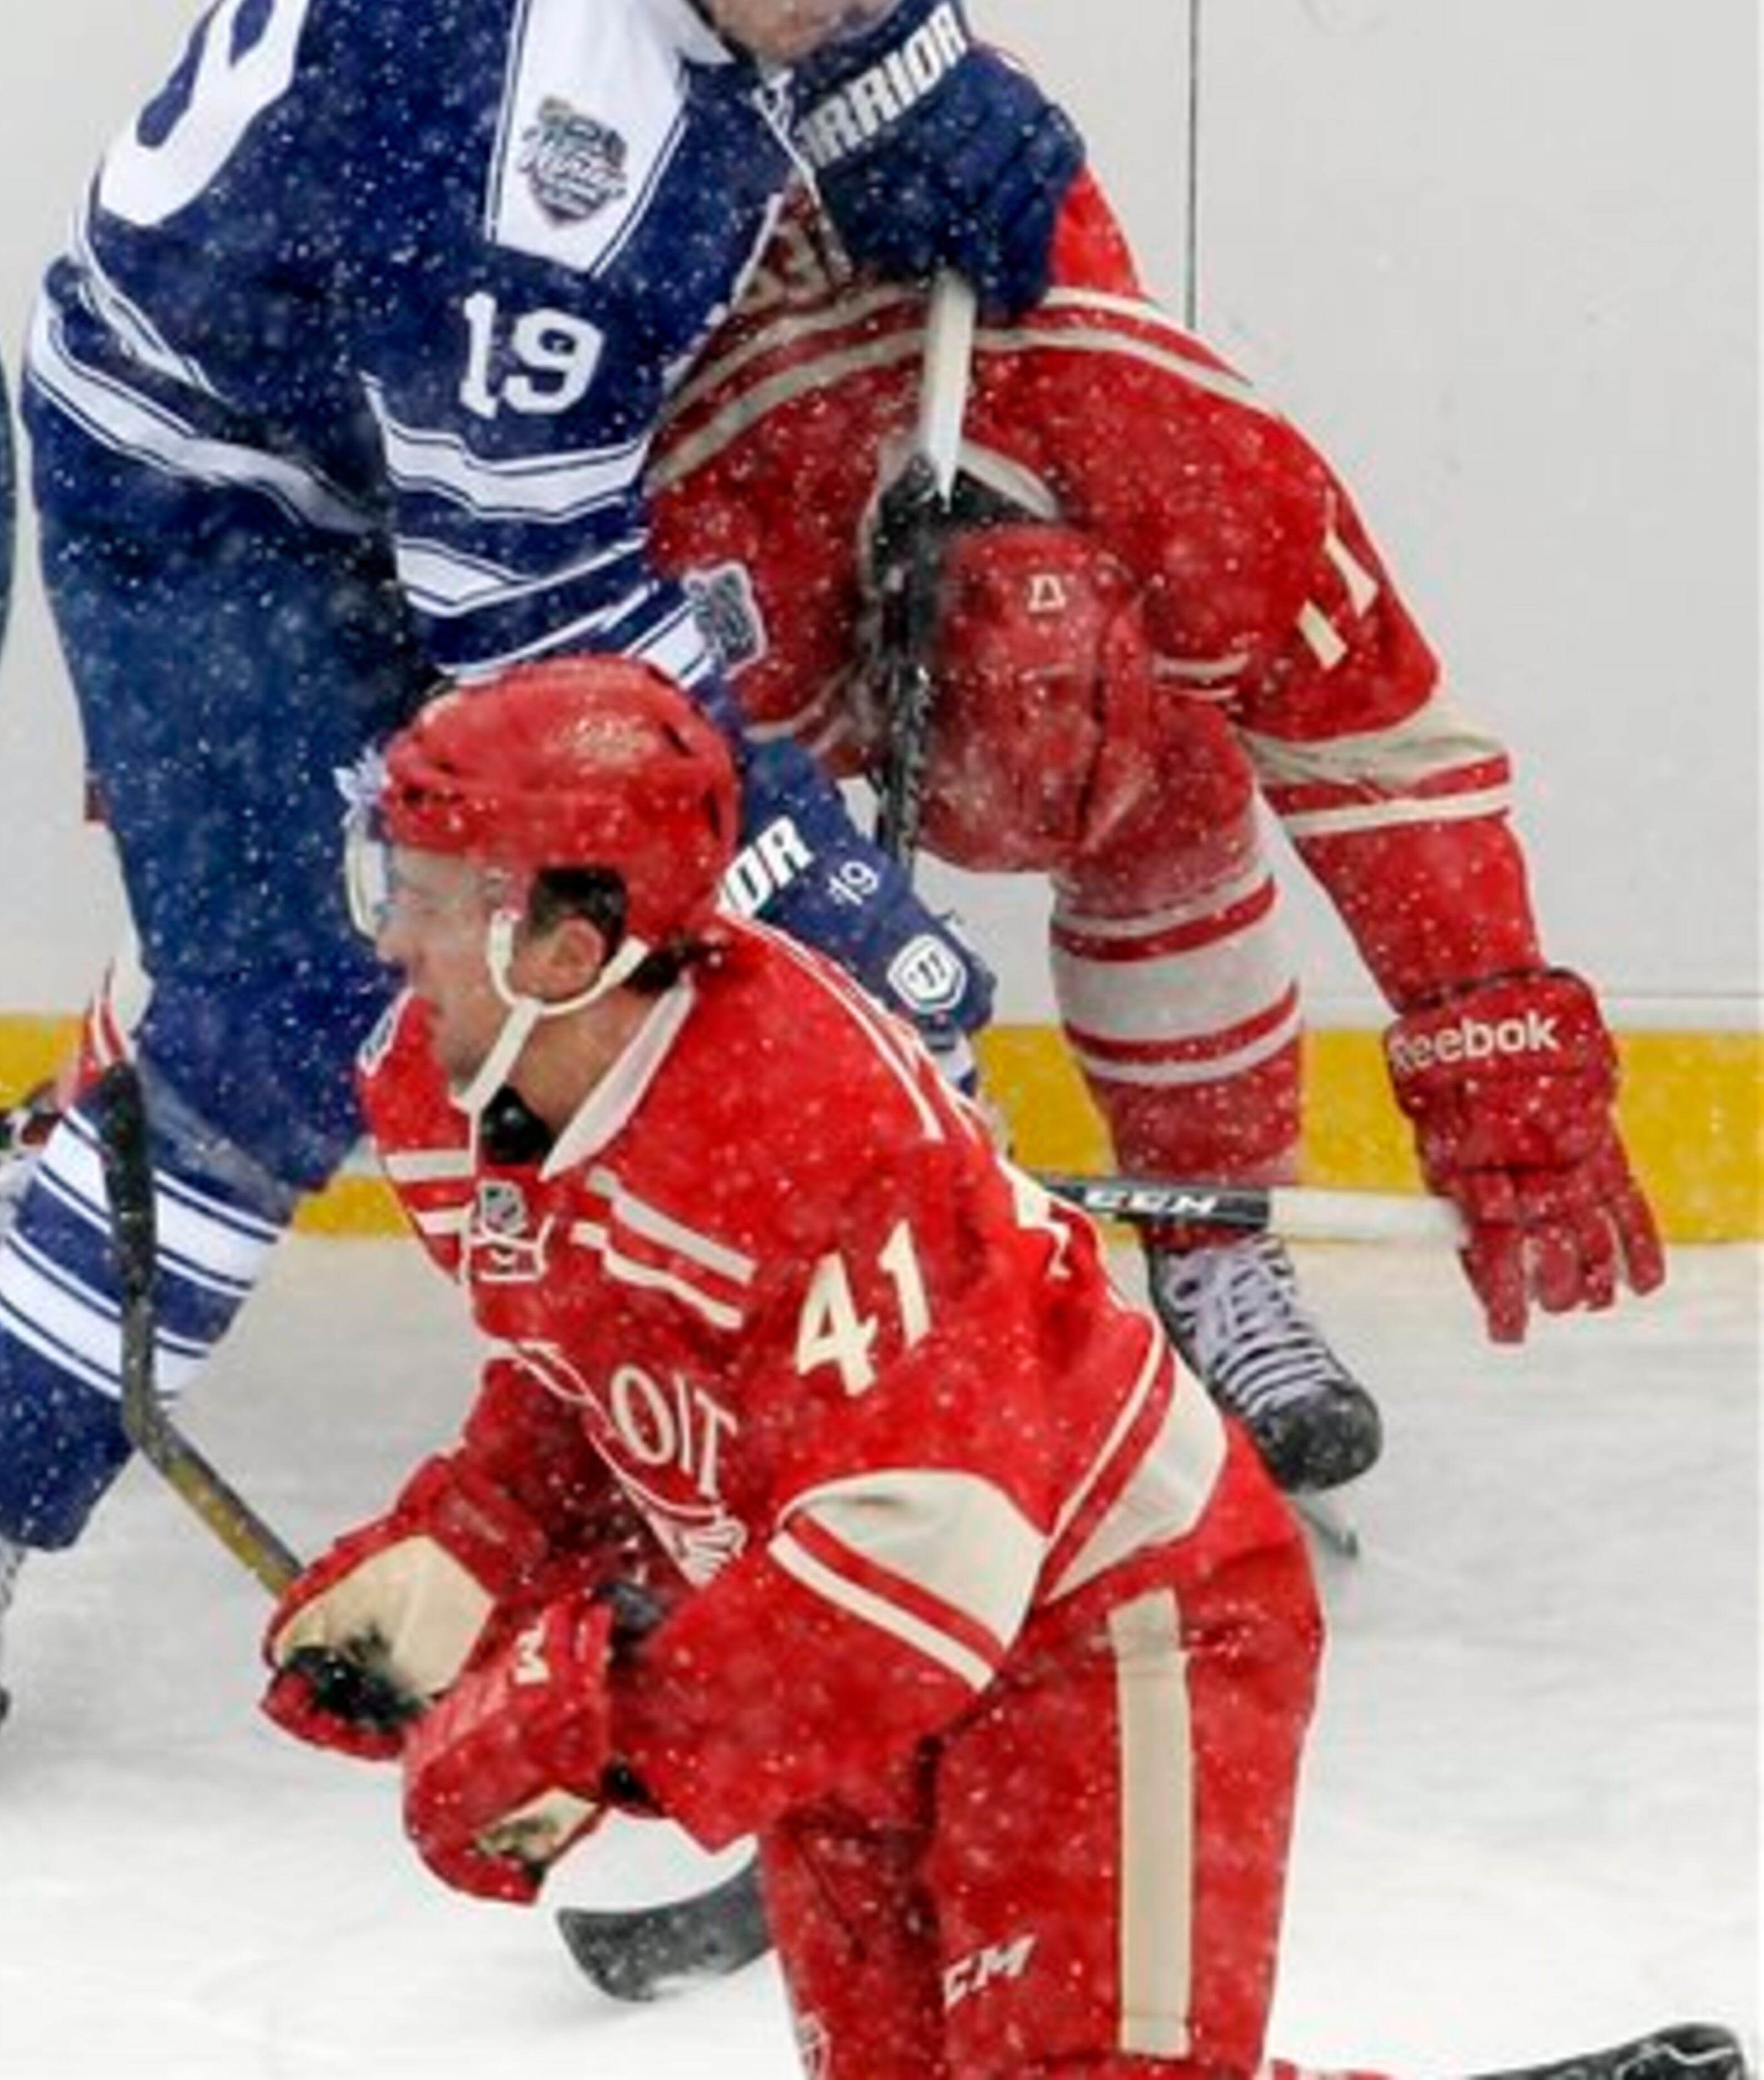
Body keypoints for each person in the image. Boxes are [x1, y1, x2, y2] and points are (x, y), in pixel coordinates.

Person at [0, 0, 1096, 1785]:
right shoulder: (530, 130)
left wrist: (911, 98)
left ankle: (61, 1218)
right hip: (213, 503)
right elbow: (539, 625)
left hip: (407, 452)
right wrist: (795, 851)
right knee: (297, 1011)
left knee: (582, 968)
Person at [256, 652, 1739, 2080]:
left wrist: (595, 1733)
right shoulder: (444, 1086)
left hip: (1104, 1613)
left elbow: (925, 1568)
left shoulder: (807, 1116)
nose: (392, 936)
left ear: (563, 948)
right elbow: (588, 1367)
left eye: (433, 896)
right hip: (813, 1641)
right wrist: (465, 1550)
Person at [641, 194, 1668, 1484]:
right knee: (749, 906)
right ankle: (824, 1302)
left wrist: (1498, 1047)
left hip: (1024, 330)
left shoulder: (1189, 467)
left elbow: (1383, 752)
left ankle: (1214, 1250)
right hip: (736, 363)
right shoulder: (724, 553)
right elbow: (635, 884)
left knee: (1174, 794)